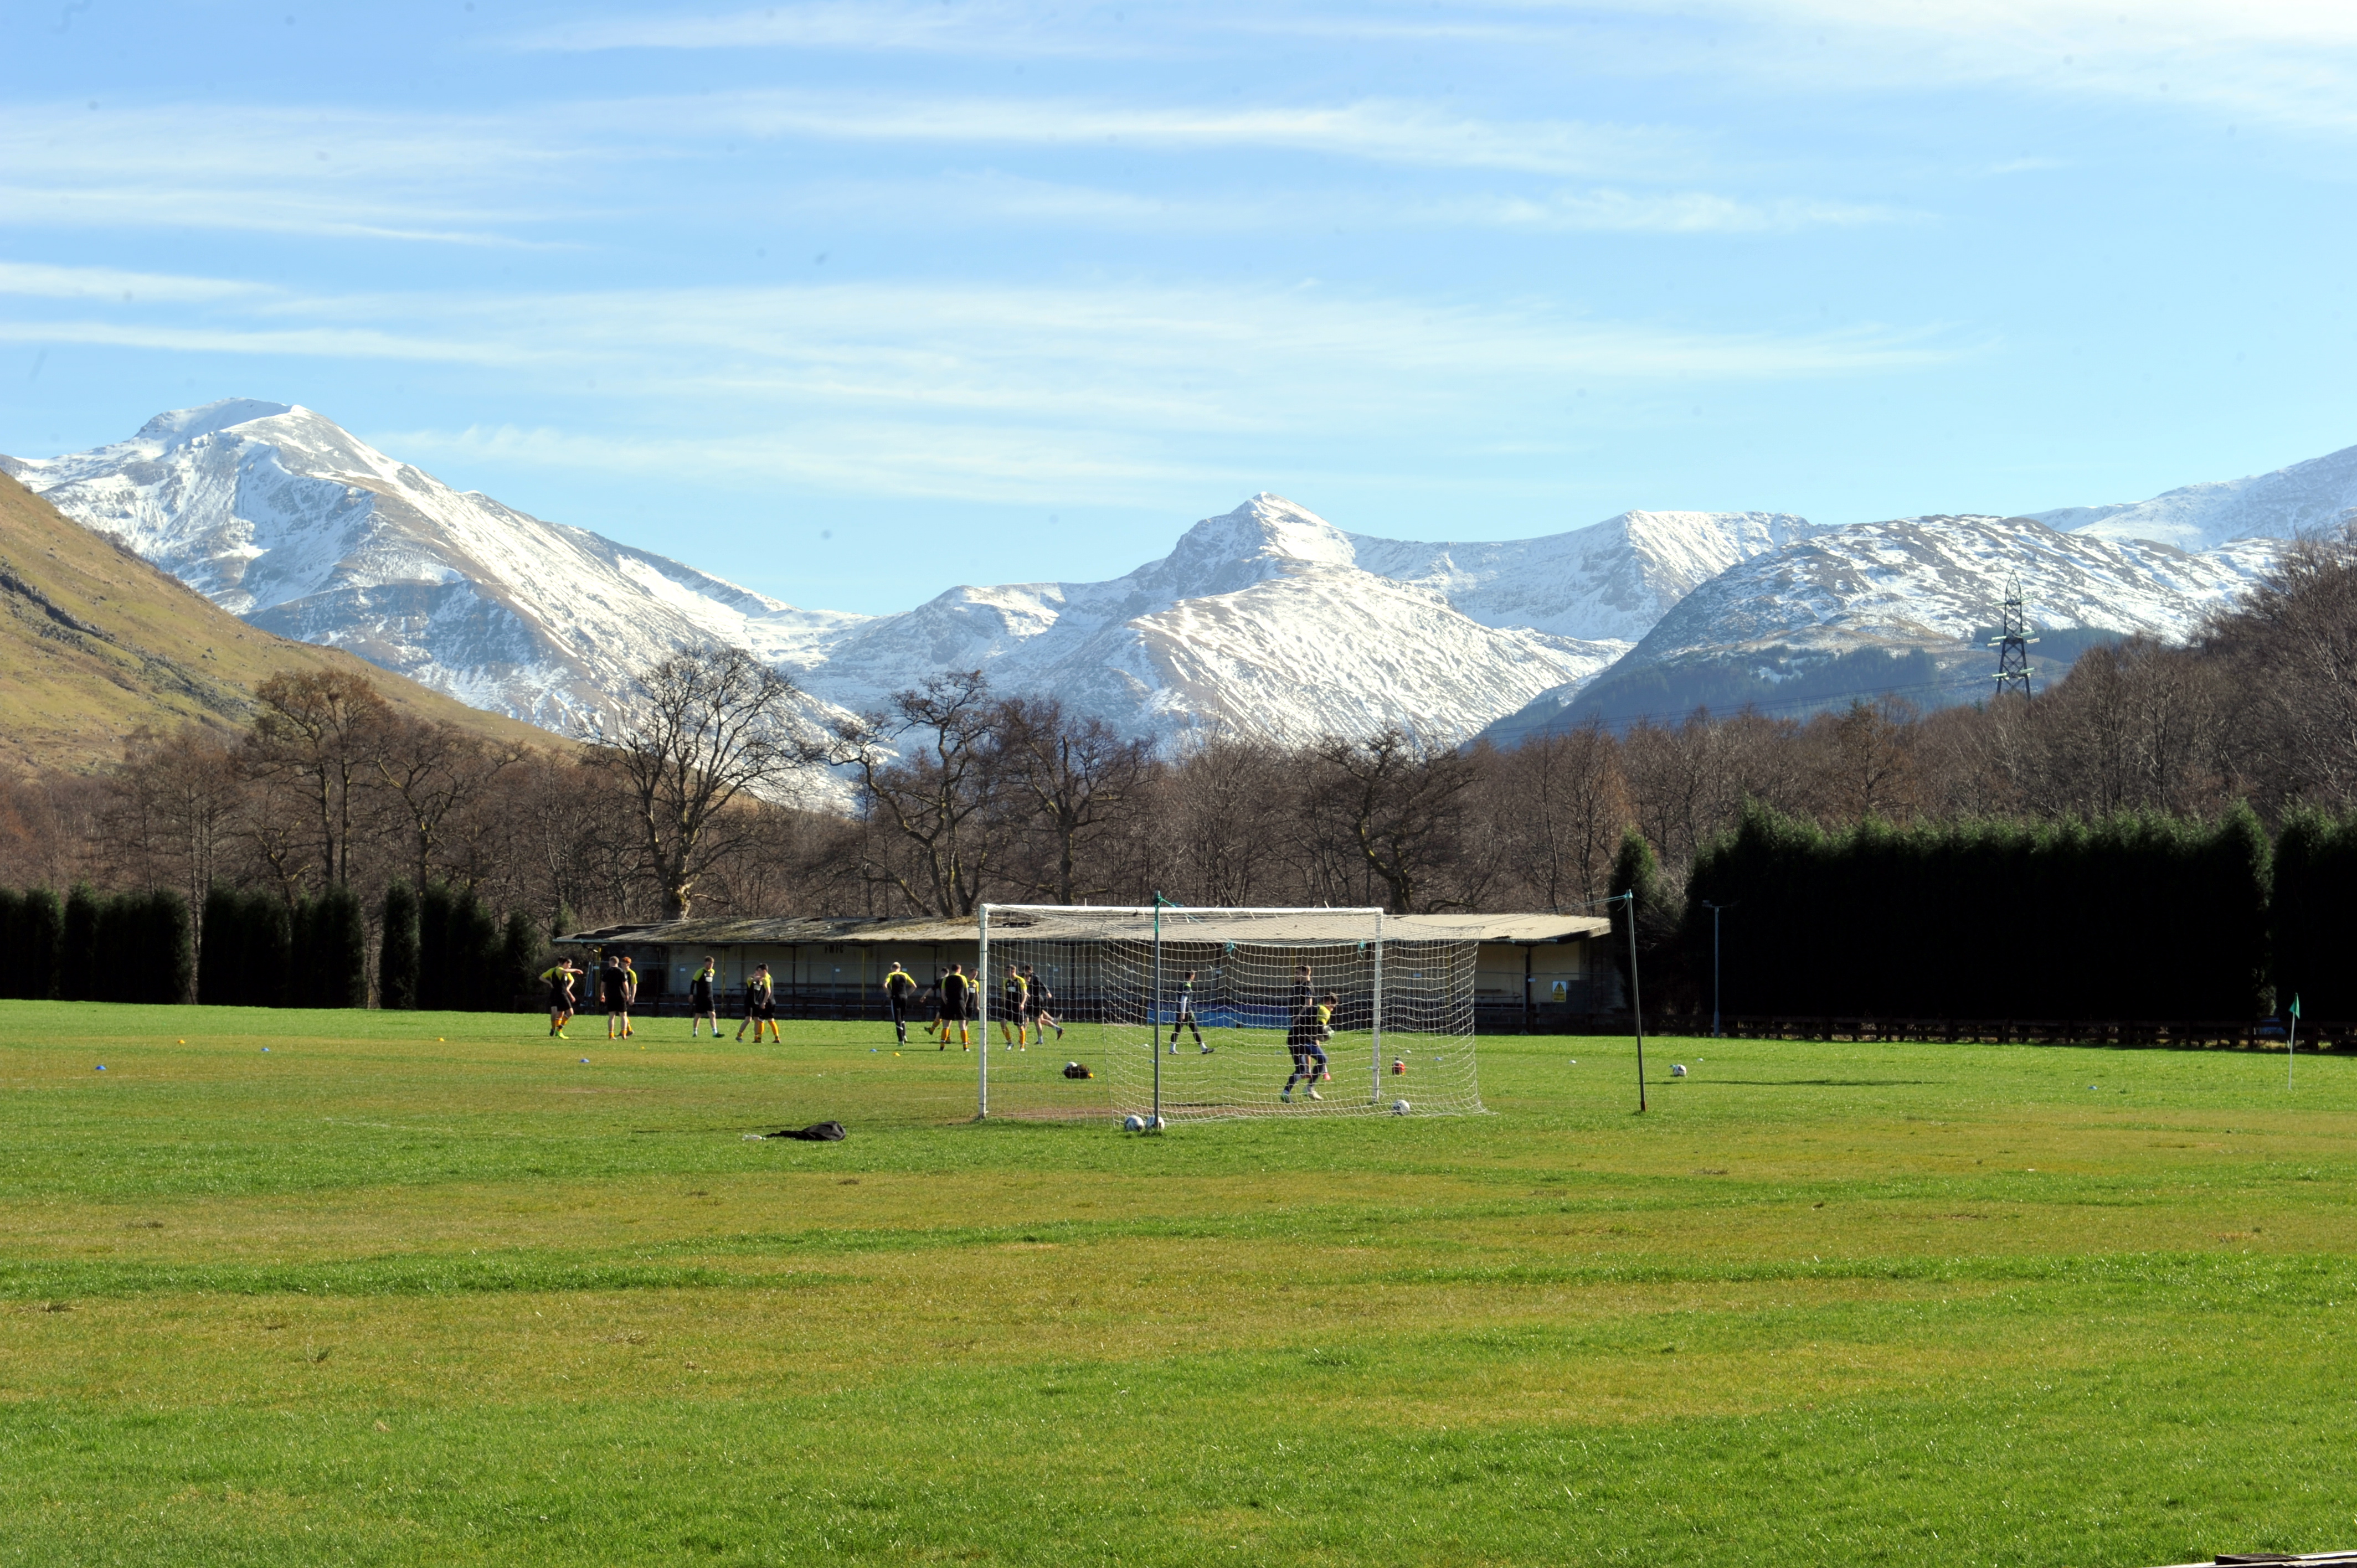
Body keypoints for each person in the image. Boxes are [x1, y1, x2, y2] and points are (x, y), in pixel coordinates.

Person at [1283, 991, 1335, 1102]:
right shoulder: (1324, 1010)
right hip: (1303, 1039)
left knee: (1301, 1070)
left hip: (1292, 1038)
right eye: (1333, 1006)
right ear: (1329, 1002)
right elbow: (1321, 1028)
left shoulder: (1313, 1008)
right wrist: (1328, 1034)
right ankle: (1309, 1088)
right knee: (1323, 1059)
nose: (1333, 1009)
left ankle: (1286, 1093)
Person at [1168, 968, 1206, 1054]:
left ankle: (1172, 1049)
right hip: (1186, 1012)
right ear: (1192, 976)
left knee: (1177, 1030)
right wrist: (1184, 1013)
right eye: (1194, 976)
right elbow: (1184, 999)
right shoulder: (1187, 985)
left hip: (1179, 1010)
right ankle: (1203, 1048)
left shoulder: (1181, 984)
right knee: (1195, 1029)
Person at [738, 963, 778, 1043]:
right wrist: (758, 977)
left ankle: (757, 1038)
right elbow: (752, 980)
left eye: (759, 971)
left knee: (758, 1020)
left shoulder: (763, 980)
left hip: (757, 1003)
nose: (758, 973)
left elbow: (767, 990)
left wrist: (763, 1002)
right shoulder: (751, 979)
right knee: (749, 1019)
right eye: (757, 971)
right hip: (749, 1002)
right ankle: (739, 1035)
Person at [541, 958, 579, 1038]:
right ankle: (559, 1029)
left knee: (557, 1013)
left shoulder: (556, 970)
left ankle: (554, 1028)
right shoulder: (559, 970)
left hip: (554, 993)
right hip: (561, 994)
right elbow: (565, 972)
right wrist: (576, 970)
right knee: (569, 1013)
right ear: (565, 963)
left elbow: (572, 980)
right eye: (569, 965)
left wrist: (568, 989)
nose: (570, 967)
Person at [882, 959, 918, 1045]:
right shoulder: (905, 975)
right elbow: (914, 986)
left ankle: (901, 1040)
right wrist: (907, 994)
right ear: (900, 968)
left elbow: (884, 985)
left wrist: (890, 994)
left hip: (896, 997)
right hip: (904, 997)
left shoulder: (891, 975)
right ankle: (905, 1035)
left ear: (892, 968)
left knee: (897, 1019)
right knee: (902, 1017)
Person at [938, 963, 972, 1051]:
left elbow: (943, 993)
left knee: (946, 1026)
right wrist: (964, 1003)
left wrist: (946, 1002)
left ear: (952, 970)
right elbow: (967, 993)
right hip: (960, 1002)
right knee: (962, 1026)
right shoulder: (963, 978)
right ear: (959, 970)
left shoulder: (946, 979)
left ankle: (942, 1046)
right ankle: (965, 1047)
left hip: (950, 1003)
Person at [1025, 965, 1064, 1042]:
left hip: (1036, 1000)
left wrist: (1048, 992)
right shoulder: (1031, 977)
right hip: (1033, 1000)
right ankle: (1057, 1027)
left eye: (1025, 972)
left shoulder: (1035, 977)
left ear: (1028, 970)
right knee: (1041, 1020)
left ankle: (1040, 1040)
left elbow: (1042, 984)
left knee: (1036, 1020)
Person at [599, 953, 630, 1041]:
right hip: (620, 996)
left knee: (611, 1017)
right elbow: (625, 984)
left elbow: (603, 984)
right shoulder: (621, 971)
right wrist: (627, 994)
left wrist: (602, 994)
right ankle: (624, 1033)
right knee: (623, 1015)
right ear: (617, 962)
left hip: (610, 996)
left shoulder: (607, 972)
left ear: (611, 962)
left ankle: (611, 1034)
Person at [687, 956, 719, 1038]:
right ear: (705, 964)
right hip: (701, 997)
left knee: (712, 1014)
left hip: (709, 997)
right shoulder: (700, 972)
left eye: (712, 964)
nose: (711, 966)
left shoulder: (712, 972)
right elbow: (693, 983)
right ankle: (695, 1032)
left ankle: (715, 1032)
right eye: (709, 964)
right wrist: (691, 994)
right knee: (698, 1015)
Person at [1000, 965, 1029, 1049]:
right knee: (1002, 1023)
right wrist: (1004, 1003)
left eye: (1007, 971)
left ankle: (1022, 1046)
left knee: (1020, 1026)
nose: (1006, 973)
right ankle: (1010, 1043)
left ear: (1013, 971)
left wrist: (1023, 1004)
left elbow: (1025, 994)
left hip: (1018, 1006)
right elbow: (1005, 994)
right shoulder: (1006, 981)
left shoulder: (1020, 980)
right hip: (1008, 1006)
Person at [617, 955, 640, 1039]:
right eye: (622, 964)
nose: (623, 966)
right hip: (620, 995)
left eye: (624, 964)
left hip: (627, 996)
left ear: (629, 964)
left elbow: (634, 986)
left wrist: (632, 997)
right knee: (621, 1013)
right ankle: (628, 1029)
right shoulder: (620, 972)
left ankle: (628, 1030)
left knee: (623, 1013)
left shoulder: (632, 973)